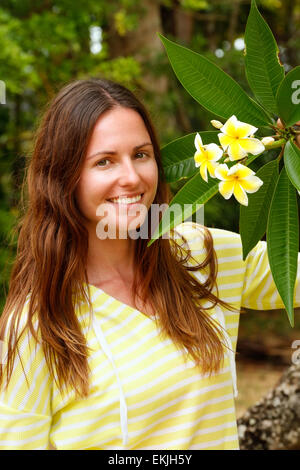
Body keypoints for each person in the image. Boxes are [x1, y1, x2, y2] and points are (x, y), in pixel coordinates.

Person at [0, 78, 299, 450]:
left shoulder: (198, 253)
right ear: (63, 178)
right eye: (104, 161)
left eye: (141, 154)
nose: (131, 177)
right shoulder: (38, 323)